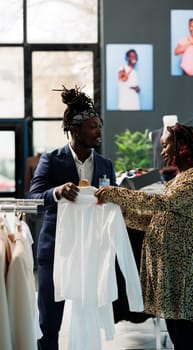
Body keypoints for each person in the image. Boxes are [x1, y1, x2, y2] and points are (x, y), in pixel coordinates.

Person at [95, 123, 193, 350]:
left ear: (182, 146)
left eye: (166, 145)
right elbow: (153, 220)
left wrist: (118, 193)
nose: (162, 151)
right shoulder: (178, 178)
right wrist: (121, 211)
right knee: (178, 336)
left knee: (188, 338)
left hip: (183, 271)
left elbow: (163, 203)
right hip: (170, 271)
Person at [28, 85, 117, 350]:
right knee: (49, 323)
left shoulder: (105, 164)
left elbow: (112, 202)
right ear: (76, 130)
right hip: (56, 251)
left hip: (91, 253)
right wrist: (56, 191)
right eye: (93, 127)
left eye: (99, 125)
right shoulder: (51, 160)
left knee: (88, 317)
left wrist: (110, 197)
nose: (99, 131)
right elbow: (34, 197)